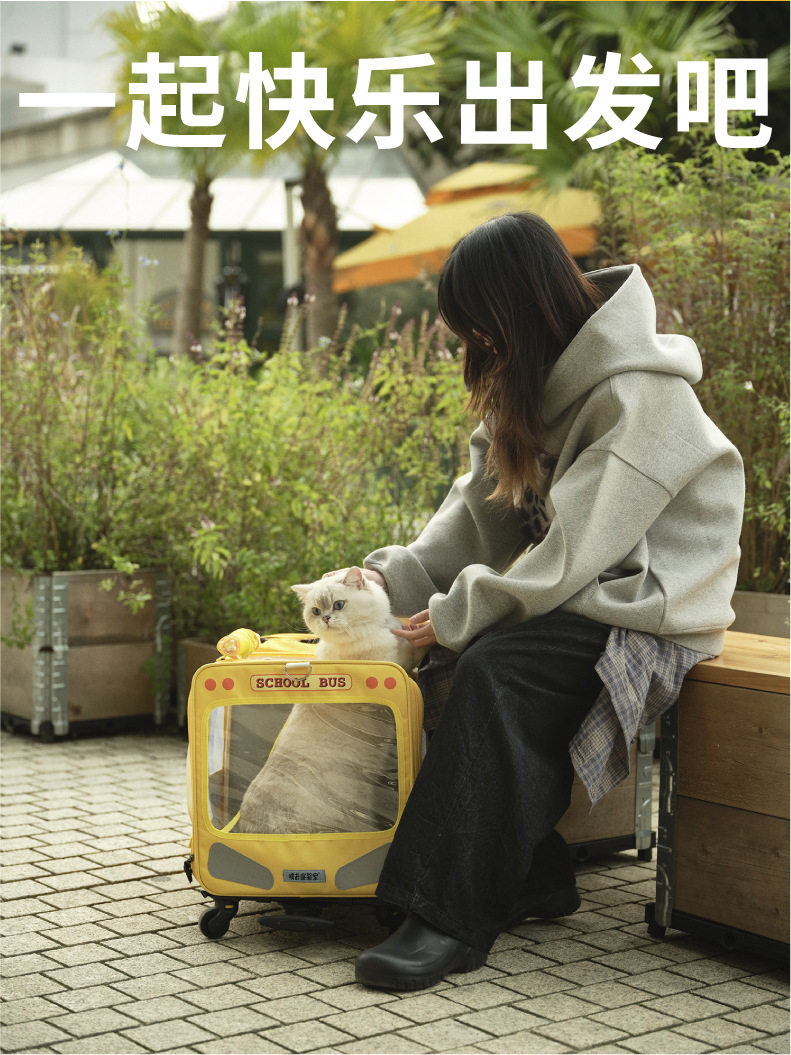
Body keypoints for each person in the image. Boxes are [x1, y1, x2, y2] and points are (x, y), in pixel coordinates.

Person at [351, 212, 744, 991]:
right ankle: (532, 875)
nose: (476, 345)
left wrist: (463, 613)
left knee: (495, 668)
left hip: (652, 603)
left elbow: (574, 550)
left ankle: (446, 913)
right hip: (585, 589)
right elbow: (476, 520)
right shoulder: (527, 379)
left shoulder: (637, 392)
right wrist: (389, 581)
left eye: (480, 325)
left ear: (516, 307)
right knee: (463, 657)